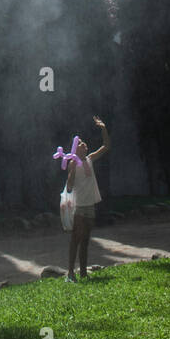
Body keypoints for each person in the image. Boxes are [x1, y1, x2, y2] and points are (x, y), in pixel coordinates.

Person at [63, 115, 110, 282]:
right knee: (76, 239)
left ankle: (82, 272)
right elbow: (69, 185)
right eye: (81, 143)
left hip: (90, 206)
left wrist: (103, 128)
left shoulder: (90, 159)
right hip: (79, 207)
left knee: (85, 241)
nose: (84, 144)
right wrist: (73, 168)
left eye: (84, 143)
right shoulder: (73, 164)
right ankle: (70, 273)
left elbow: (106, 146)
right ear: (76, 149)